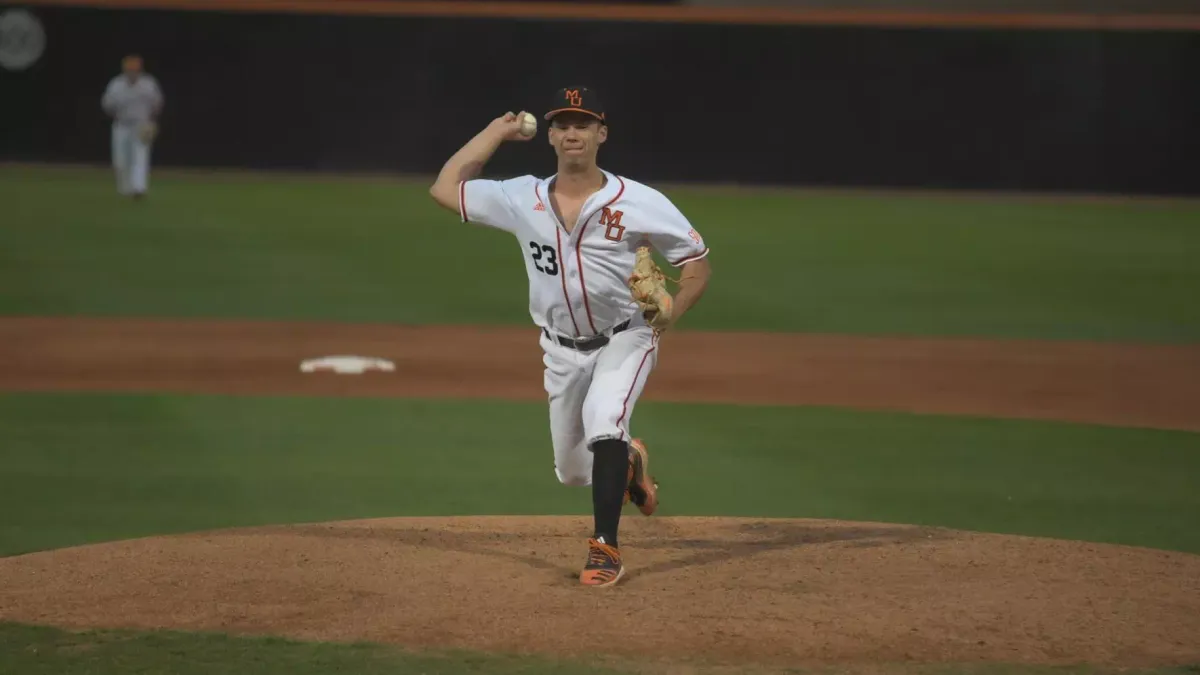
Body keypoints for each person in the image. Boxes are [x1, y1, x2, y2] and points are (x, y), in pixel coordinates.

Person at [428, 86, 712, 587]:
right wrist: (497, 131)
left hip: (627, 334)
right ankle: (629, 460)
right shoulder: (520, 197)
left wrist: (669, 315)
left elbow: (696, 264)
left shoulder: (642, 202)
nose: (572, 133)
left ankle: (605, 550)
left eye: (583, 124)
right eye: (562, 124)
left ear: (601, 133)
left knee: (606, 421)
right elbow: (445, 188)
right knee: (574, 472)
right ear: (551, 136)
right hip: (559, 348)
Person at [101, 54, 163, 199]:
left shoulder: (149, 84)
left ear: (140, 70)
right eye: (129, 70)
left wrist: (152, 122)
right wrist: (113, 113)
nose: (132, 73)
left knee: (140, 157)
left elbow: (157, 103)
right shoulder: (116, 85)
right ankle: (125, 189)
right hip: (121, 125)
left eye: (135, 70)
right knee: (120, 160)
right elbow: (106, 104)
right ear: (124, 70)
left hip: (141, 125)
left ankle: (139, 188)